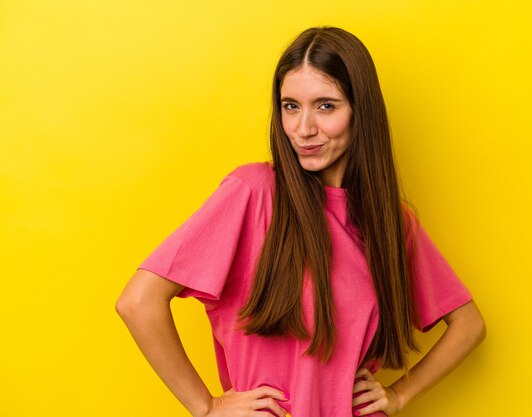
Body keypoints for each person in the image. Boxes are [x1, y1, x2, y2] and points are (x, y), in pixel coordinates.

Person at [116, 26, 486, 417]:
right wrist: (207, 407)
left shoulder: (390, 221)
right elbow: (138, 302)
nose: (304, 128)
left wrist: (398, 395)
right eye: (290, 106)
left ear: (361, 111)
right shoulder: (253, 192)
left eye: (326, 106)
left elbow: (469, 325)